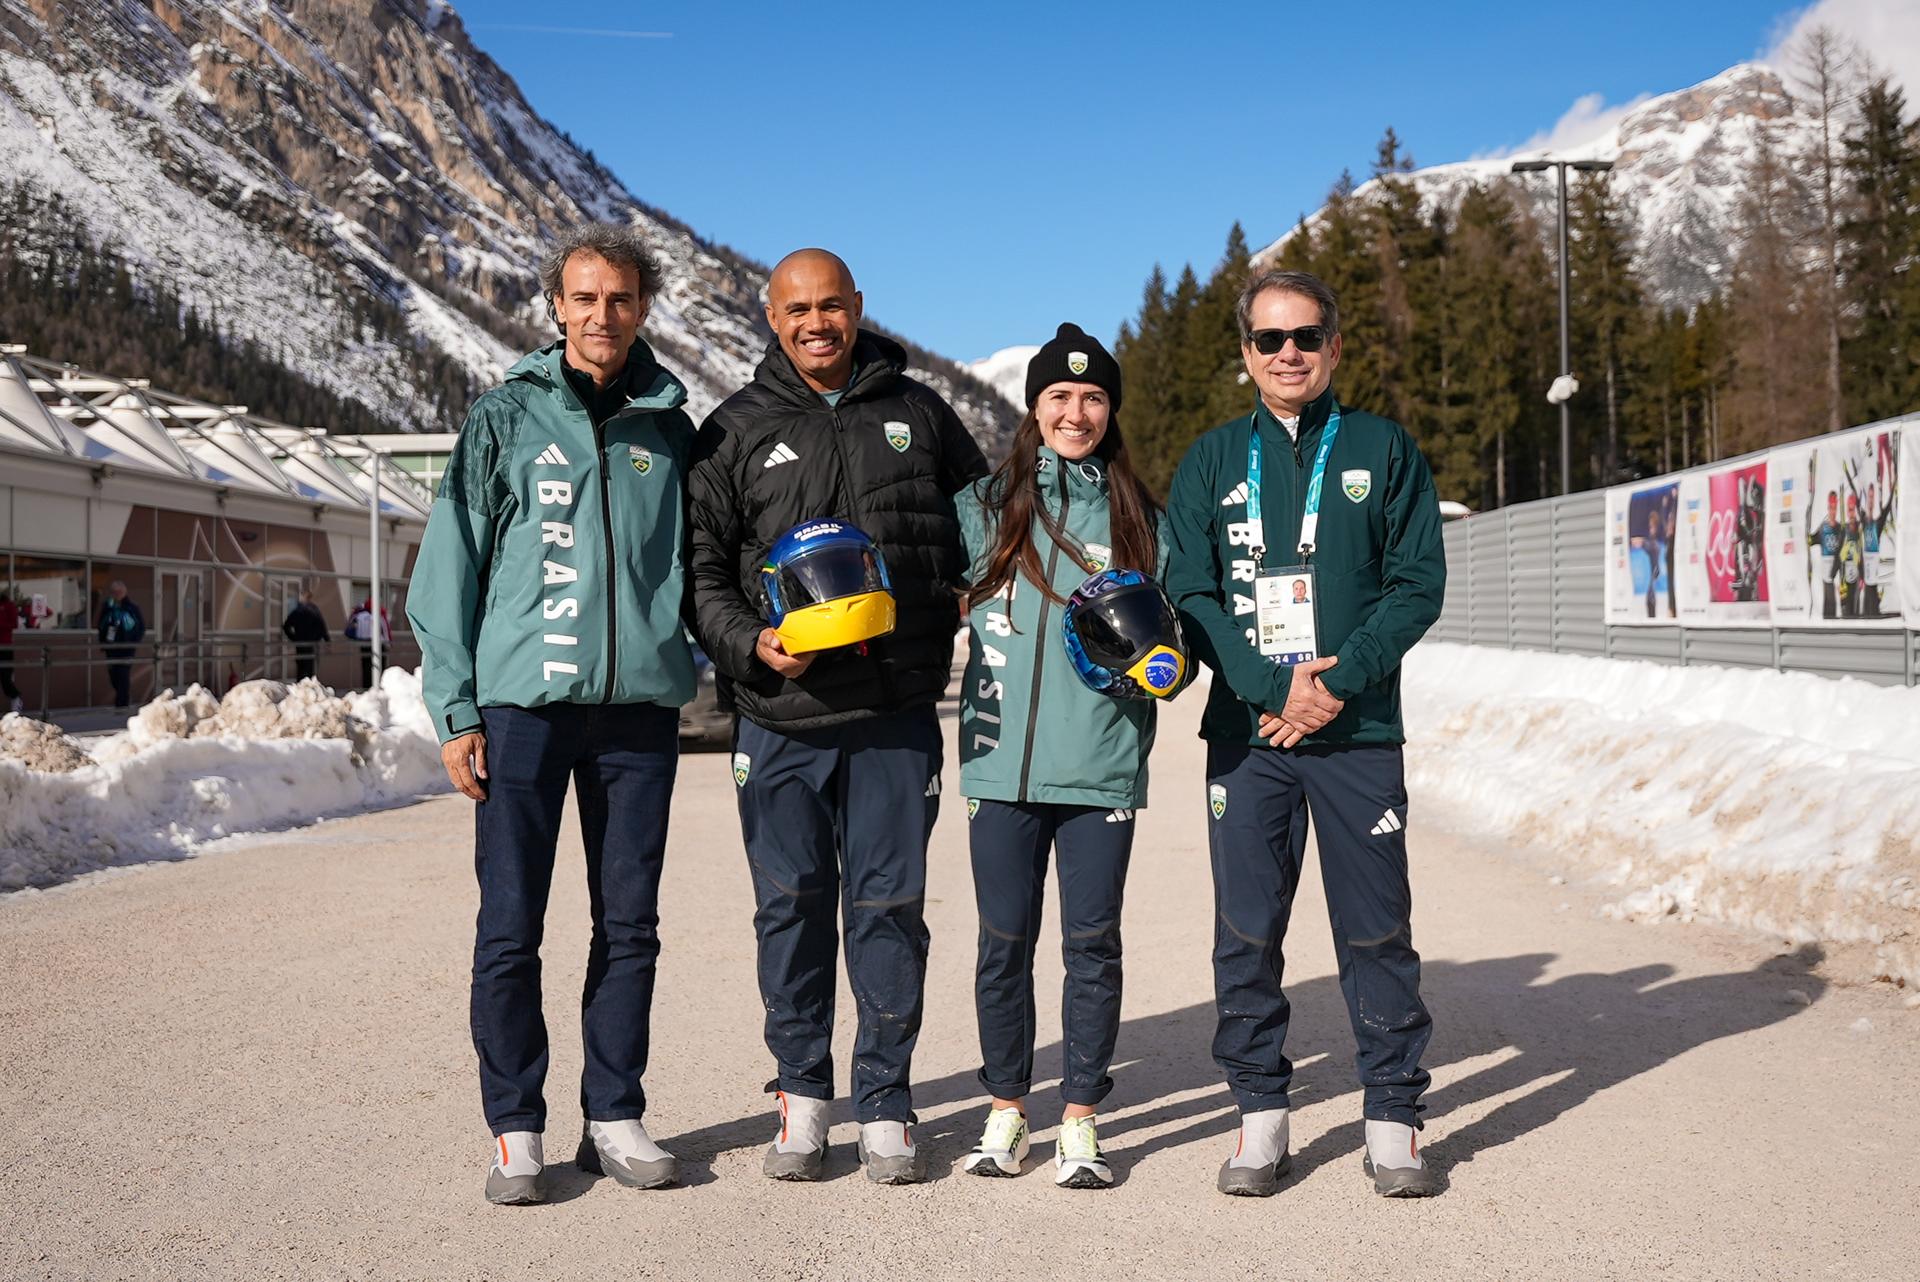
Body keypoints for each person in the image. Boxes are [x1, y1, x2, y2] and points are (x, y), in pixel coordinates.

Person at [406, 223, 698, 1206]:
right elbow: (449, 570)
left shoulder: (670, 426)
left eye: (619, 298)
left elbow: (703, 571)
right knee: (511, 924)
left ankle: (613, 1114)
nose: (601, 315)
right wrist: (455, 706)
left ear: (642, 307)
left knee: (630, 923)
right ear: (557, 308)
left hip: (637, 716)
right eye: (584, 298)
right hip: (523, 708)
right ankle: (516, 1127)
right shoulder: (502, 420)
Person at [688, 248, 987, 1185]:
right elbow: (697, 571)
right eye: (796, 310)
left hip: (895, 712)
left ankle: (888, 1100)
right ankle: (803, 1096)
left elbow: (984, 521)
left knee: (890, 910)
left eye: (831, 306)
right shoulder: (730, 432)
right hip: (781, 715)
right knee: (790, 909)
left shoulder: (920, 411)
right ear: (770, 319)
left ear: (857, 307)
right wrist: (748, 643)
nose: (816, 323)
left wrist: (972, 588)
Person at [1165, 269, 1447, 1198]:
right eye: (1270, 339)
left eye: (1307, 336)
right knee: (1247, 932)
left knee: (1377, 933)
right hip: (1248, 738)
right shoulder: (1211, 459)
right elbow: (1191, 593)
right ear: (1246, 352)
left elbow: (1418, 584)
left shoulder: (1383, 447)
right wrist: (1263, 688)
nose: (1290, 353)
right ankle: (1259, 1116)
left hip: (1355, 729)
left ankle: (1394, 1117)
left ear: (1335, 345)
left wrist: (1338, 678)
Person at [953, 324, 1175, 1189]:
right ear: (1033, 407)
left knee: (1093, 945)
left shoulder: (1139, 519)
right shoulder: (982, 506)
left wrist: (1162, 669)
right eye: (1058, 397)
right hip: (998, 764)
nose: (1075, 412)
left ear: (1110, 411)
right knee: (1002, 945)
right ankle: (1007, 1110)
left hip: (1100, 766)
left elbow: (1174, 648)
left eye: (1091, 398)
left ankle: (1080, 1120)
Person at [97, 580, 145, 709]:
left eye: (119, 592)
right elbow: (101, 625)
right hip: (111, 648)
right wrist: (103, 642)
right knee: (114, 675)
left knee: (123, 674)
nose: (117, 594)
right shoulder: (108, 606)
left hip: (126, 648)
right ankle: (123, 697)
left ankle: (122, 703)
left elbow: (140, 627)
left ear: (124, 592)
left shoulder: (131, 607)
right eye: (114, 592)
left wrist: (133, 642)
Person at [281, 589, 330, 682]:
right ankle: (309, 689)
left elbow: (286, 626)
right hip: (312, 643)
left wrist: (294, 638)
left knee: (301, 667)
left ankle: (301, 688)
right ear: (310, 598)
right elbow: (322, 626)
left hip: (300, 643)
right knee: (310, 669)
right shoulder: (314, 611)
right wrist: (327, 641)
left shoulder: (297, 611)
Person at [345, 596, 390, 689]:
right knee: (379, 666)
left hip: (364, 643)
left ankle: (367, 688)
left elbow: (351, 627)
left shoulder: (359, 615)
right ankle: (378, 686)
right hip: (378, 644)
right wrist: (388, 642)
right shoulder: (378, 614)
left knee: (366, 667)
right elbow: (385, 630)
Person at [0, 591, 22, 713]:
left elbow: (14, 624)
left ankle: (15, 698)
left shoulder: (8, 605)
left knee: (5, 676)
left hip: (4, 646)